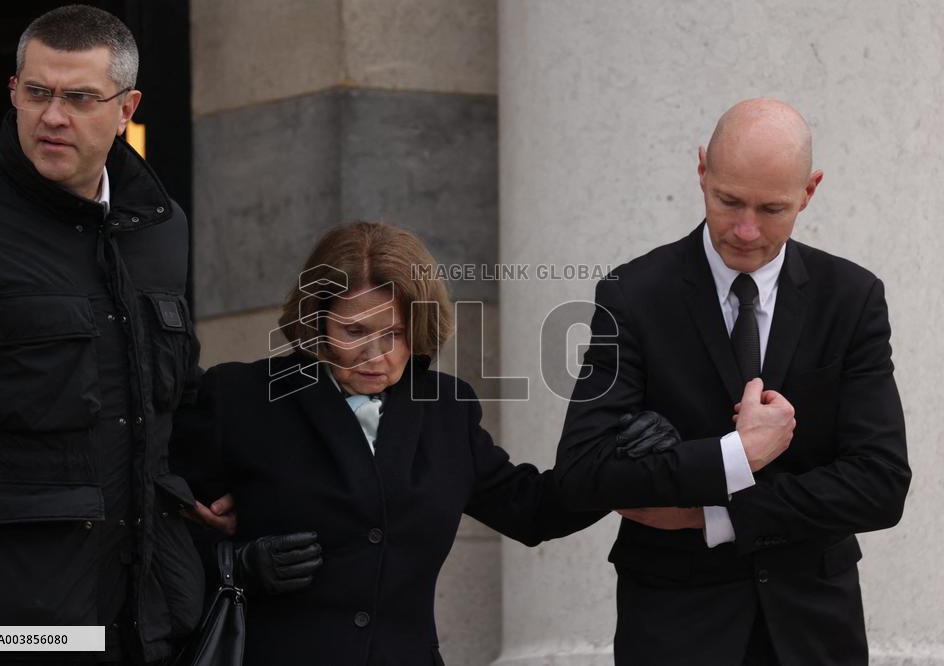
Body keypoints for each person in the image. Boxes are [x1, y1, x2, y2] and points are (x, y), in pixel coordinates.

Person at [169, 221, 748, 665]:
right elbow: (151, 527)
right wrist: (234, 564)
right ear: (315, 322)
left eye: (395, 334)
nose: (376, 354)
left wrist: (628, 461)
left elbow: (534, 510)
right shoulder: (241, 399)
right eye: (354, 331)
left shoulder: (445, 408)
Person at [555, 98, 911, 665]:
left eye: (772, 209)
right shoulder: (633, 294)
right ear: (702, 171)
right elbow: (582, 473)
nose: (746, 230)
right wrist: (735, 455)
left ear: (809, 192)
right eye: (728, 201)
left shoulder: (852, 298)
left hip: (814, 630)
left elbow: (880, 485)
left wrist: (712, 513)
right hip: (674, 630)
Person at [0, 5, 227, 664]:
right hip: (7, 630)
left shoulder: (162, 228)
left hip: (147, 622)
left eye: (79, 98)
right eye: (37, 92)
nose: (52, 116)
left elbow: (173, 405)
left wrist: (232, 487)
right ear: (13, 91)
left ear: (127, 108)